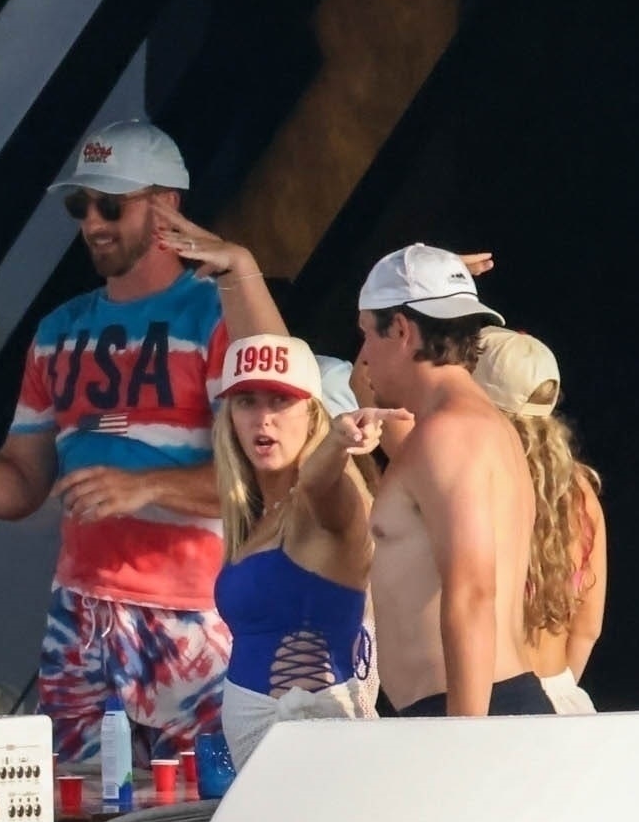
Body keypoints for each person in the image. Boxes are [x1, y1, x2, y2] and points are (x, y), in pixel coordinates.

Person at [0, 120, 229, 770]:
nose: (92, 223)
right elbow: (24, 483)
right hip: (79, 611)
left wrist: (146, 486)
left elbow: (265, 478)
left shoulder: (220, 315)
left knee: (202, 813)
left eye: (110, 204)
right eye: (80, 206)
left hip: (196, 611)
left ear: (167, 205)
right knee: (71, 808)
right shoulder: (59, 331)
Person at [150, 210, 381, 765]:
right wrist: (238, 274)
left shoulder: (324, 500)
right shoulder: (262, 513)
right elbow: (267, 359)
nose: (264, 419)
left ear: (315, 413)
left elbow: (322, 481)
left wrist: (338, 444)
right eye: (247, 403)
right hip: (265, 766)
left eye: (281, 403)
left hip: (318, 763)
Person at [354, 245, 547, 717]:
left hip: (470, 712)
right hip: (473, 708)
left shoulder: (449, 435)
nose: (362, 357)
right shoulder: (467, 426)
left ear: (400, 329)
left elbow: (473, 594)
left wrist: (461, 745)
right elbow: (366, 385)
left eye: (365, 336)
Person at [472, 327, 606, 715]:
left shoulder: (476, 479)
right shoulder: (580, 490)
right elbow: (587, 628)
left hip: (492, 701)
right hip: (564, 698)